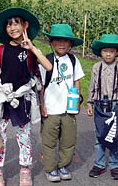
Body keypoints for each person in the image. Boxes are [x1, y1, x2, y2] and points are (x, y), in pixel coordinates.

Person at [0, 7, 52, 186]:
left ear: (25, 25)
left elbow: (48, 66)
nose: (12, 27)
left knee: (24, 136)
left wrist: (32, 47)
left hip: (23, 100)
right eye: (9, 25)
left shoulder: (31, 50)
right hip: (4, 99)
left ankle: (25, 169)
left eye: (16, 23)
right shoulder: (1, 50)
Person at [38, 24, 85, 183]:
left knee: (68, 140)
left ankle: (63, 165)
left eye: (65, 41)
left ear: (70, 44)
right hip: (51, 110)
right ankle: (50, 168)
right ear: (51, 42)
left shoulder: (73, 60)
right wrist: (41, 104)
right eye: (57, 40)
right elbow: (42, 86)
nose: (61, 44)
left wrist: (77, 99)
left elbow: (76, 81)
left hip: (68, 110)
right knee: (49, 142)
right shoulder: (46, 60)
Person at [86, 34, 118, 180]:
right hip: (100, 104)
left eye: (112, 51)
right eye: (105, 51)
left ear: (117, 52)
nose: (108, 54)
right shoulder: (96, 67)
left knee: (115, 137)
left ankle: (114, 165)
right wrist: (90, 103)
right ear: (101, 52)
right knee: (100, 135)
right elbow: (92, 87)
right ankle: (99, 164)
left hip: (115, 105)